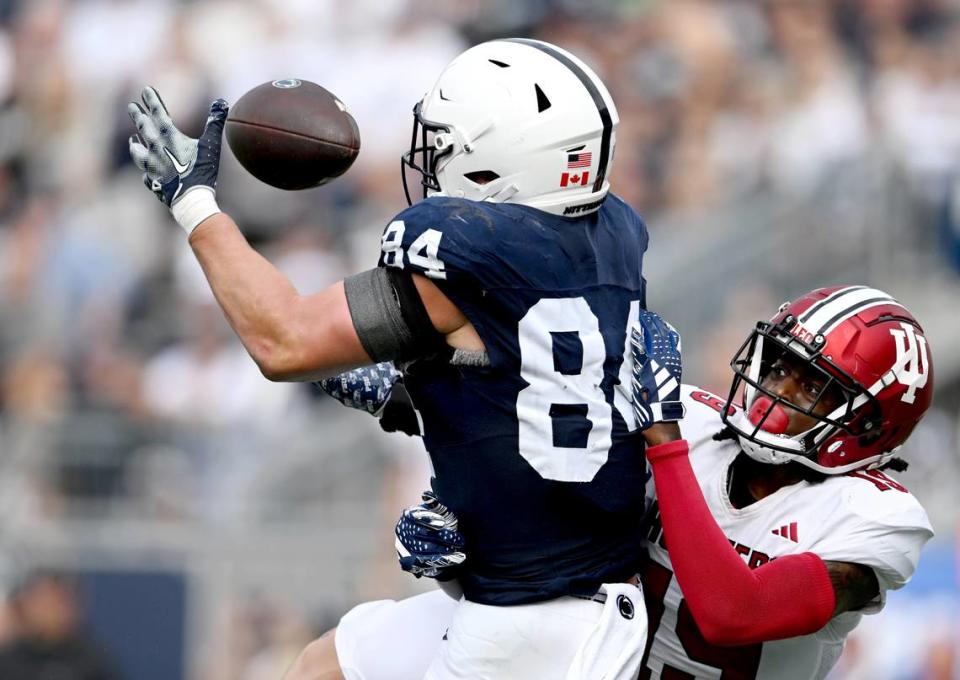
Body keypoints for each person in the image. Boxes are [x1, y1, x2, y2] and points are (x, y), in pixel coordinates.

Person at [128, 39, 656, 678]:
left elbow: (284, 340)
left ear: (510, 158)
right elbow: (535, 378)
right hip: (556, 587)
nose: (432, 159)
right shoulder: (614, 232)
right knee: (323, 667)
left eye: (450, 143)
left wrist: (196, 207)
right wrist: (416, 398)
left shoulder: (472, 254)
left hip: (535, 624)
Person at [292, 285, 934, 680]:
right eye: (779, 366)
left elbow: (733, 612)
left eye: (809, 385)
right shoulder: (696, 423)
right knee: (329, 663)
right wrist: (417, 412)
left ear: (872, 425)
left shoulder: (876, 519)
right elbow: (531, 435)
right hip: (579, 659)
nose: (775, 390)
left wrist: (663, 443)